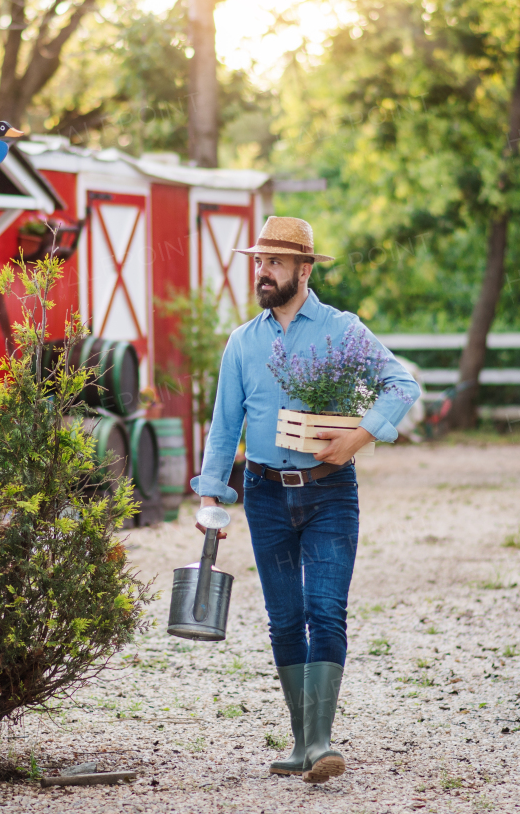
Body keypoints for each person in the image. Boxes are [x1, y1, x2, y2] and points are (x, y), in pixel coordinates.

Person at [191, 216, 420, 784]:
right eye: (258, 262)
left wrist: (359, 436)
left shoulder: (343, 331)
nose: (262, 272)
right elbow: (224, 427)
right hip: (264, 493)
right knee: (285, 619)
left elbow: (402, 384)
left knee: (326, 610)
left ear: (304, 268)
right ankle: (300, 743)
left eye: (273, 262)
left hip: (329, 493)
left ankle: (321, 742)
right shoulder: (242, 342)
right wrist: (212, 497)